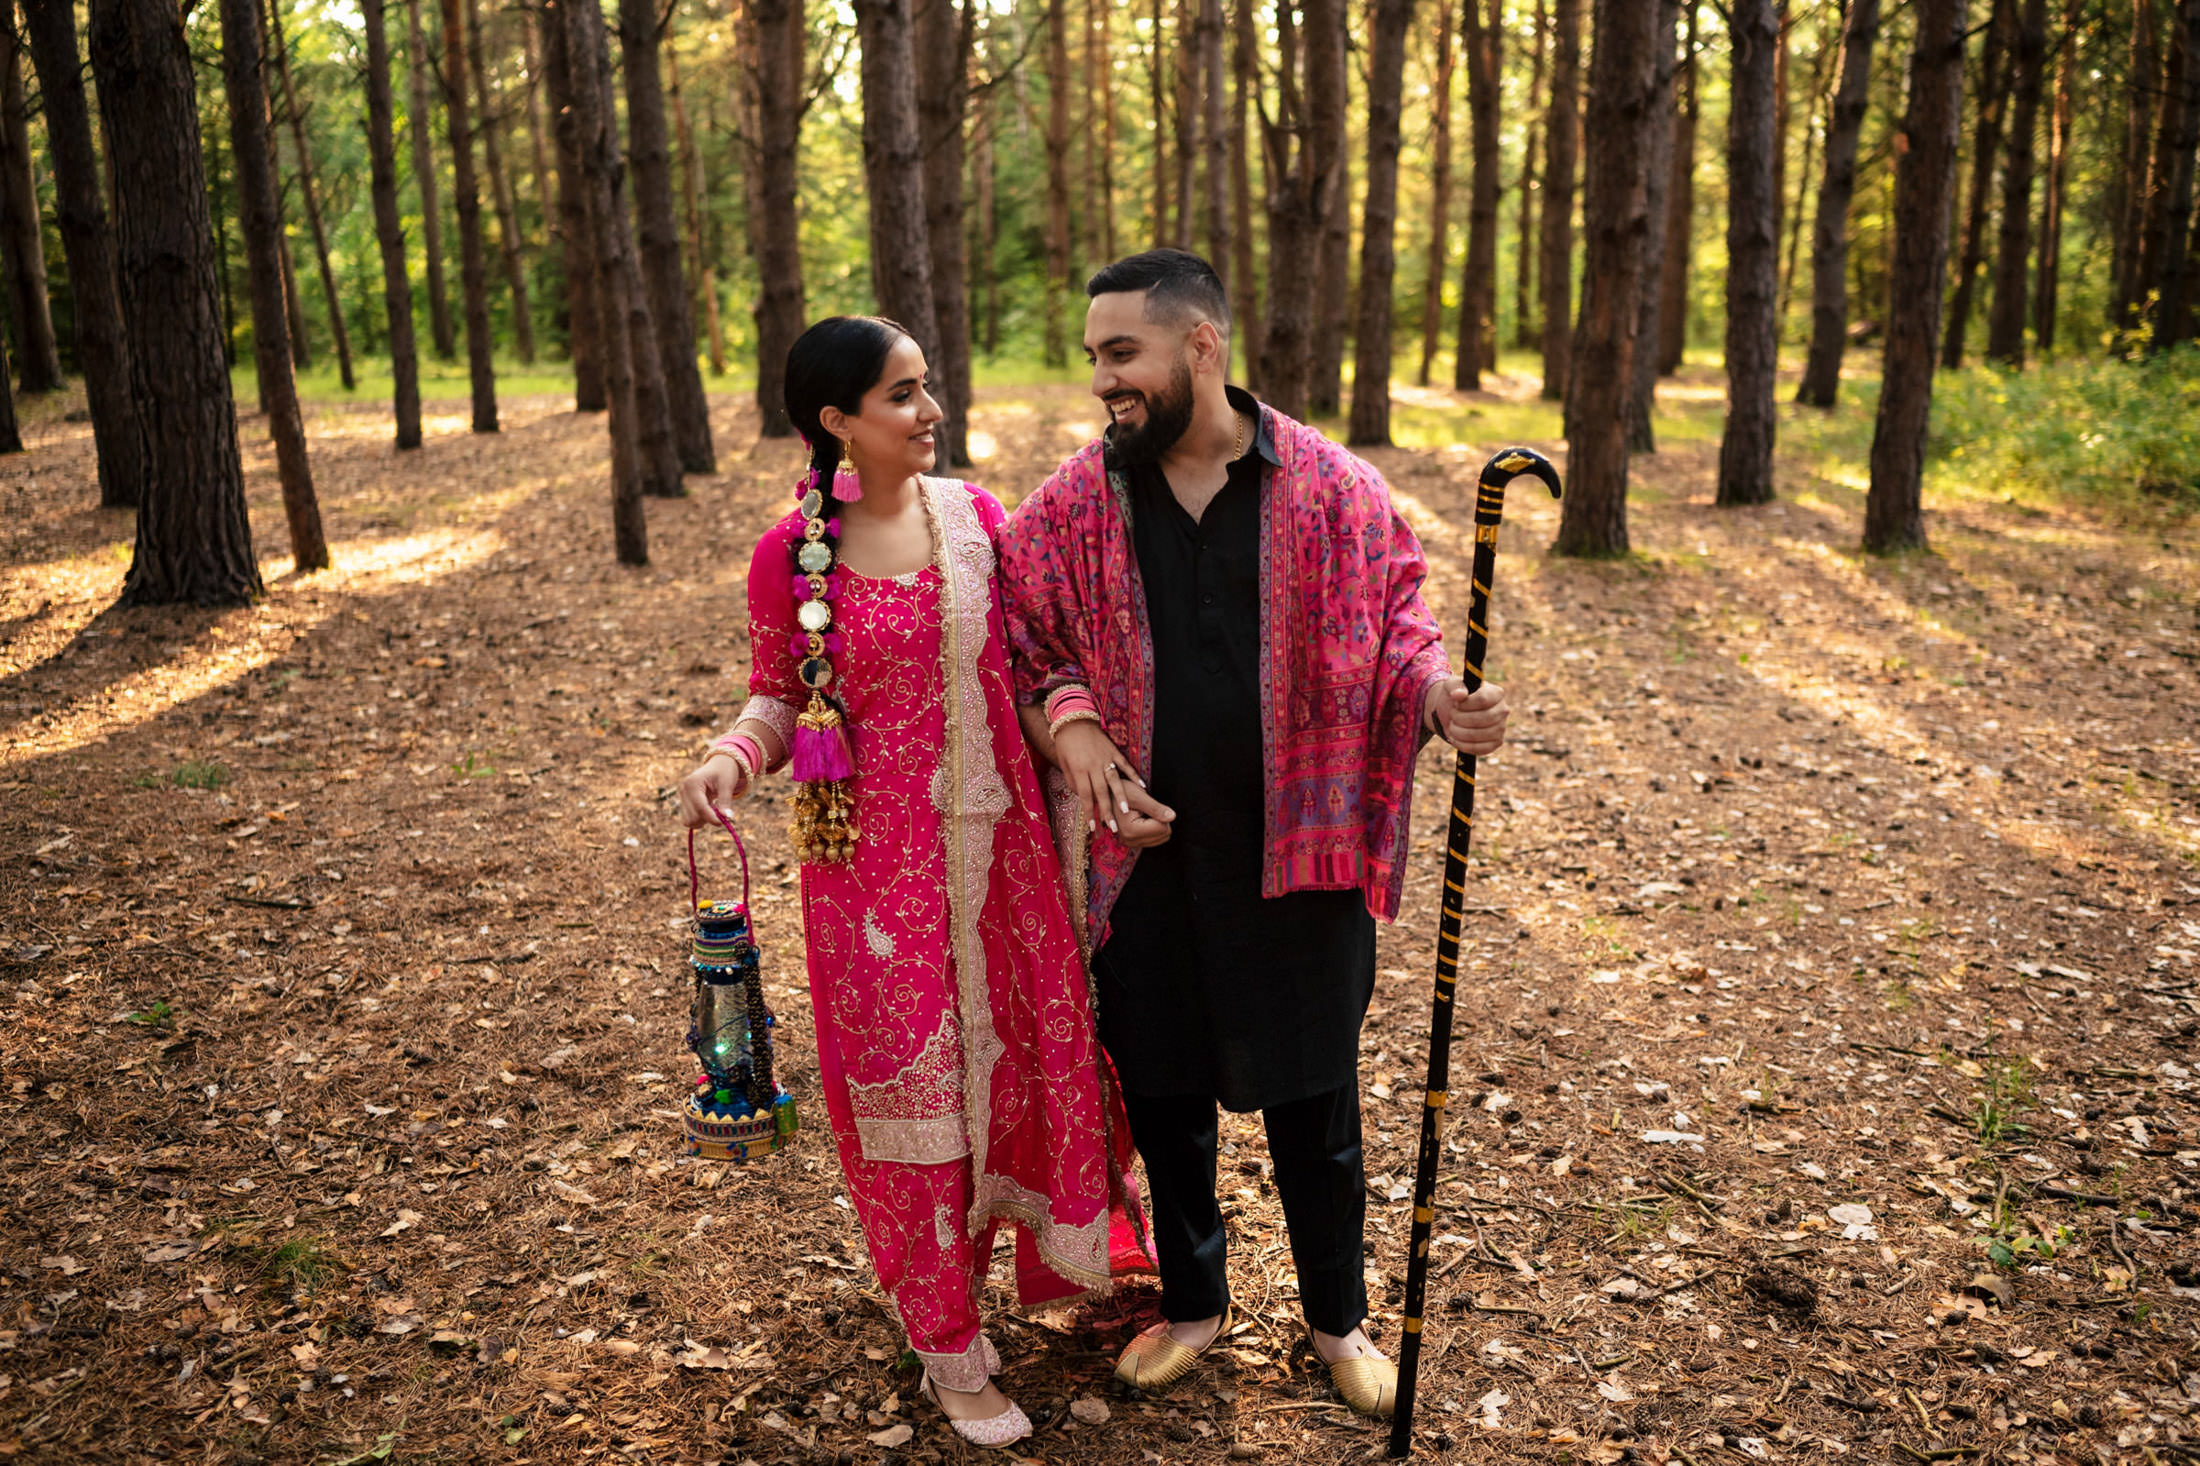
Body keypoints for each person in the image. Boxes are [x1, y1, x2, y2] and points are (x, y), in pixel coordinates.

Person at [998, 250, 1511, 1419]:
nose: (1101, 382)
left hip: (1302, 854)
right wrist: (1074, 736)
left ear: (1200, 347)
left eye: (1120, 354)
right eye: (1092, 358)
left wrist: (1439, 699)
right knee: (1168, 1097)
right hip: (1148, 860)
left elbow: (1399, 628)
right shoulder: (1079, 500)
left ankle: (1337, 1319)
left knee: (1314, 1098)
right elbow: (1025, 640)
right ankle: (1193, 1302)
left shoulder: (1334, 486)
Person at [677, 316, 1151, 1450]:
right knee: (915, 1106)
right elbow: (778, 693)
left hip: (1006, 864)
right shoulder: (791, 551)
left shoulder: (978, 522)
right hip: (871, 881)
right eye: (902, 394)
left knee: (1025, 1069)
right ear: (837, 421)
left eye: (927, 385)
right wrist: (731, 757)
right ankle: (945, 1339)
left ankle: (1041, 1267)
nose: (930, 409)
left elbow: (1037, 661)